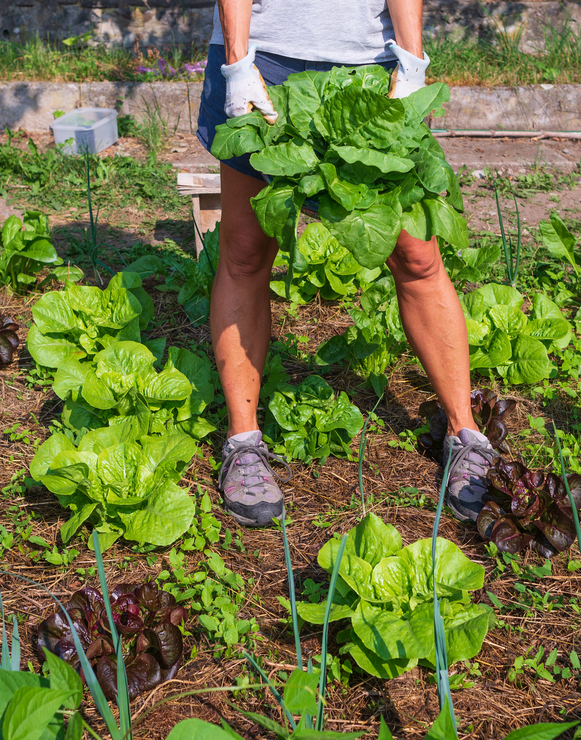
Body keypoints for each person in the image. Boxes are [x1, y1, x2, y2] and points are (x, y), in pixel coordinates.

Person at [196, 0, 496, 527]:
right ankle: (243, 443)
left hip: (370, 62)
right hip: (265, 58)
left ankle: (465, 432)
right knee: (245, 251)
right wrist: (240, 63)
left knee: (417, 254)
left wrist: (412, 60)